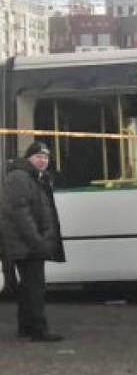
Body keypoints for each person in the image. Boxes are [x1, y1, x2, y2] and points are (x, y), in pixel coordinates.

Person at [1, 141, 66, 341]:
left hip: (27, 242)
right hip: (27, 243)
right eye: (38, 156)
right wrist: (37, 240)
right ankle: (38, 330)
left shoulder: (33, 177)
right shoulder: (20, 177)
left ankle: (26, 328)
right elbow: (21, 213)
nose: (43, 161)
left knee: (28, 286)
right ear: (28, 158)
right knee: (35, 287)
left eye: (46, 157)